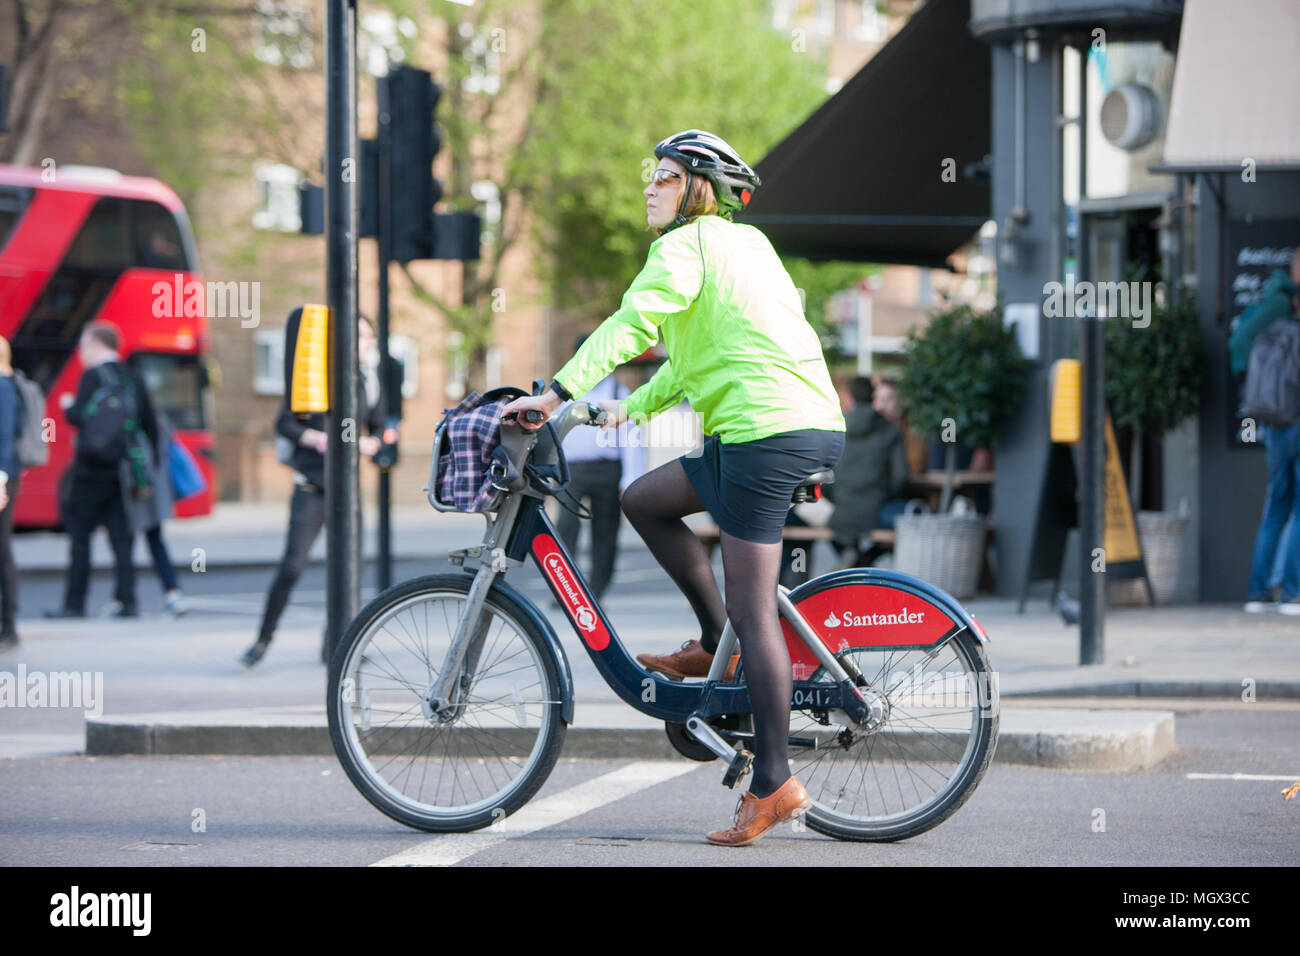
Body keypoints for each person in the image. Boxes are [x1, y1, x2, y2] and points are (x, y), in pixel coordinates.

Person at [501, 130, 845, 847]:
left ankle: (773, 781)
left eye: (664, 177)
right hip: (794, 424)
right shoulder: (746, 247)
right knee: (643, 500)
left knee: (755, 605)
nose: (649, 187)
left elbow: (635, 323)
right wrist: (625, 408)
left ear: (699, 188)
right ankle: (716, 641)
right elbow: (698, 357)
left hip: (763, 434)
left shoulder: (682, 249)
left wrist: (557, 391)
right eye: (649, 176)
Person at [241, 312, 389, 666]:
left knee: (348, 570)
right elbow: (284, 423)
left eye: (367, 337)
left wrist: (375, 441)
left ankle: (335, 645)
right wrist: (317, 439)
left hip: (347, 489)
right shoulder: (315, 378)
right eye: (357, 337)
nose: (363, 344)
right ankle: (262, 640)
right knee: (292, 566)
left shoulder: (370, 381)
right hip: (311, 486)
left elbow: (381, 426)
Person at [45, 322, 159, 619]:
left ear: (96, 344)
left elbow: (79, 416)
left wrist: (68, 406)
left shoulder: (93, 376)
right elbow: (150, 425)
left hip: (89, 470)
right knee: (122, 539)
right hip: (121, 472)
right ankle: (127, 600)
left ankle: (75, 604)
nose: (81, 352)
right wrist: (150, 469)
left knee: (80, 537)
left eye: (83, 345)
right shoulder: (133, 377)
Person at [1232, 247, 1300, 613]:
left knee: (1276, 507)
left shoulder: (1273, 300)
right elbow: (1237, 344)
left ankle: (1258, 594)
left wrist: (1255, 382)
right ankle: (1292, 593)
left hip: (1275, 421)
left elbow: (1241, 343)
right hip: (1294, 419)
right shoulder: (1283, 304)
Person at [554, 339, 647, 603]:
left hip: (608, 471)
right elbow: (555, 432)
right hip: (572, 471)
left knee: (605, 532)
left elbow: (632, 437)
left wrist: (631, 479)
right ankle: (567, 590)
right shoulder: (567, 393)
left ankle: (596, 592)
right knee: (565, 529)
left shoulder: (619, 390)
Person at [824, 376, 907, 567]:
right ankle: (864, 561)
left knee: (809, 518)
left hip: (841, 511)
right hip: (877, 509)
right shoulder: (890, 430)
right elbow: (901, 478)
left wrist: (837, 496)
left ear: (849, 398)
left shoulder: (835, 429)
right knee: (912, 518)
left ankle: (854, 558)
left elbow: (825, 474)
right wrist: (885, 494)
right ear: (873, 397)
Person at [0, 336, 22, 649]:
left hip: (1, 479)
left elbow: (4, 437)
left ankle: (9, 627)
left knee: (2, 552)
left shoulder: (4, 388)